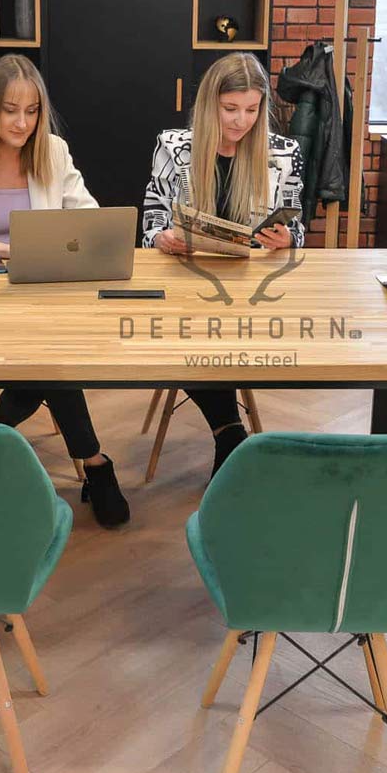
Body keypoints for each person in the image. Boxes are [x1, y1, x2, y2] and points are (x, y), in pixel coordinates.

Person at [0, 54, 130, 528]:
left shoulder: (52, 150)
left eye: (32, 111)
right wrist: (5, 249)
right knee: (51, 363)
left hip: (44, 290)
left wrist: (81, 237)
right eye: (10, 110)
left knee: (46, 354)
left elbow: (89, 216)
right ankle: (94, 462)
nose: (21, 123)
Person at [141, 52, 305, 478]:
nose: (241, 121)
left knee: (215, 332)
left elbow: (298, 225)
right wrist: (161, 237)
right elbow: (152, 215)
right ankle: (230, 432)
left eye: (252, 110)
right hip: (185, 281)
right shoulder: (174, 147)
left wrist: (288, 238)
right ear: (210, 104)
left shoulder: (284, 154)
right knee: (193, 332)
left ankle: (229, 433)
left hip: (252, 289)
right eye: (231, 109)